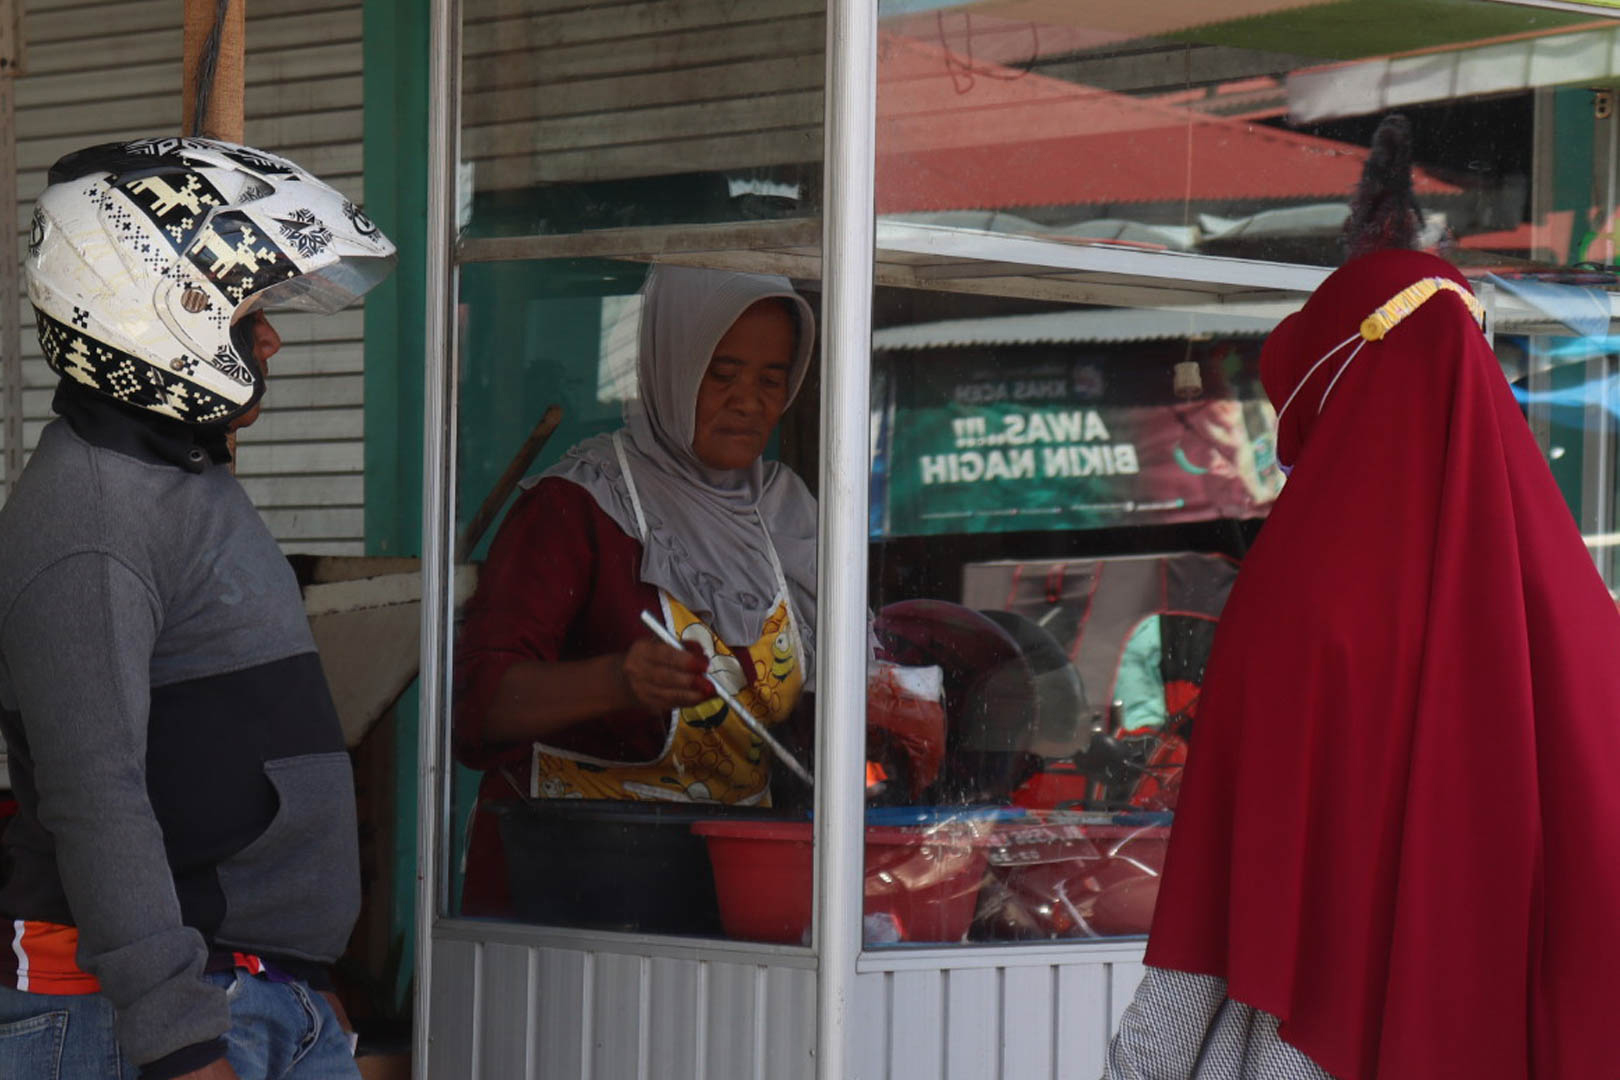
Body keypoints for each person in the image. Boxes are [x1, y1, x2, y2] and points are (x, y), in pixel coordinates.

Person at [1105, 246, 1620, 1074]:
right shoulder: (1577, 606)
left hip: (1307, 1041)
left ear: (1332, 382)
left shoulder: (1298, 590)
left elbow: (1226, 882)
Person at [0, 138, 395, 1079]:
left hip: (251, 995)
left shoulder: (177, 478)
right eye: (248, 311)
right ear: (157, 314)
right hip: (136, 1022)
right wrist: (178, 1039)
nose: (271, 338)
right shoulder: (92, 517)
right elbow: (97, 798)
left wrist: (299, 974)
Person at [454, 265, 820, 918]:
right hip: (573, 882)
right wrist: (615, 682)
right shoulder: (579, 504)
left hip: (731, 882)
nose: (749, 400)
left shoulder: (787, 514)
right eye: (722, 373)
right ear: (670, 366)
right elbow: (476, 706)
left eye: (772, 378)